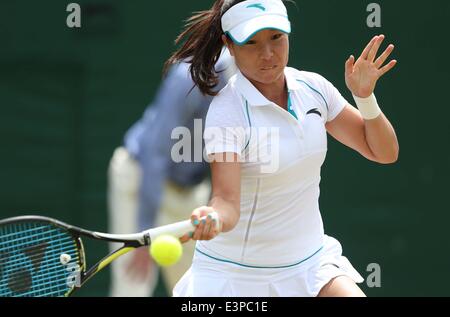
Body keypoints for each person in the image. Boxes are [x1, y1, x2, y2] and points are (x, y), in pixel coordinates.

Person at [168, 0, 399, 297]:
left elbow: (383, 152)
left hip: (311, 264)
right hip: (236, 277)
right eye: (251, 42)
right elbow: (226, 202)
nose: (267, 54)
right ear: (230, 45)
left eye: (276, 37)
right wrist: (213, 216)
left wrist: (365, 99)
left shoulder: (314, 89)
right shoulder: (228, 112)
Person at [107, 48, 236, 297]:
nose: (265, 52)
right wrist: (143, 233)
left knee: (200, 292)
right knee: (131, 288)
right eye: (250, 41)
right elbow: (154, 154)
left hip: (191, 194)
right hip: (141, 180)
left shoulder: (258, 80)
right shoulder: (189, 77)